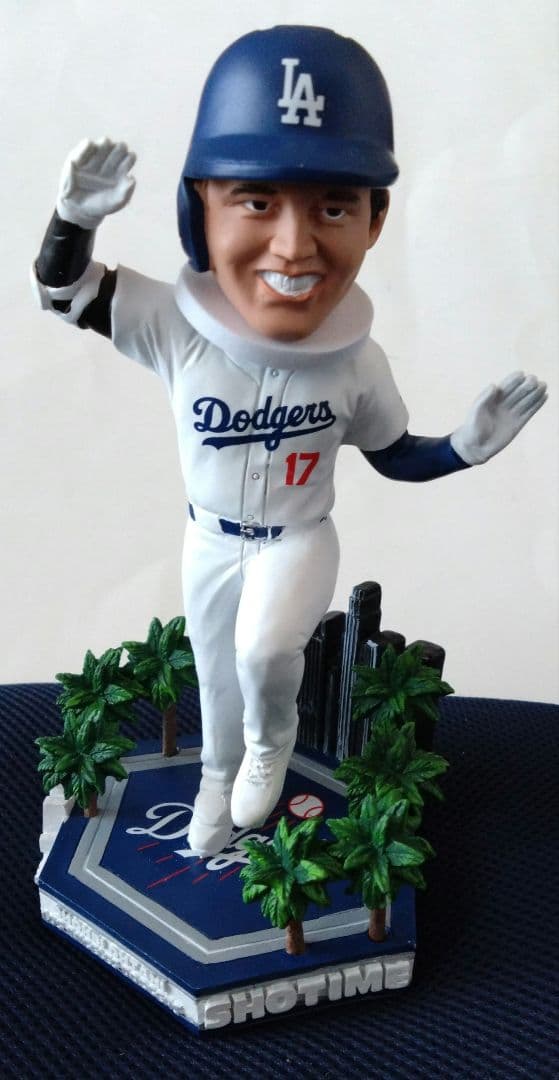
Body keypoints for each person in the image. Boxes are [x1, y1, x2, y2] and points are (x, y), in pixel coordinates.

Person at [32, 26, 546, 856]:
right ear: (199, 204)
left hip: (296, 537)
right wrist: (72, 220)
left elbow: (391, 453)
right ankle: (216, 776)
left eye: (333, 205)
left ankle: (268, 752)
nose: (293, 245)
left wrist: (461, 446)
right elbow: (64, 293)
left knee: (266, 651)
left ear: (374, 219)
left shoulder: (357, 360)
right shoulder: (176, 325)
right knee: (215, 675)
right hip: (208, 536)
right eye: (257, 201)